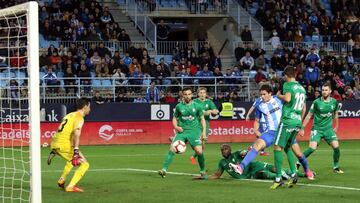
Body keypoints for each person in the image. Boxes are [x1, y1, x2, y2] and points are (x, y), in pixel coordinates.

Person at [270, 66, 314, 189]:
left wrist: (279, 95)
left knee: (277, 146)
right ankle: (294, 174)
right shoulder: (301, 88)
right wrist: (300, 122)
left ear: (287, 75)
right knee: (288, 146)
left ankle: (278, 178)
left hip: (287, 120)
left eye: (284, 76)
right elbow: (304, 108)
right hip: (296, 121)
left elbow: (288, 98)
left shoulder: (287, 85)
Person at [230, 84, 284, 175]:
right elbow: (257, 120)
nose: (262, 96)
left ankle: (305, 170)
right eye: (261, 94)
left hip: (283, 130)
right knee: (257, 145)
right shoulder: (260, 105)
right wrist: (255, 130)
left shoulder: (278, 99)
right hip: (271, 132)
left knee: (296, 152)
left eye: (264, 94)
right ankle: (241, 167)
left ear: (270, 93)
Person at [158, 87, 207, 177]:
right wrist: (176, 127)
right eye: (185, 94)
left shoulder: (197, 106)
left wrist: (203, 132)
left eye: (189, 94)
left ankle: (203, 170)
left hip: (194, 132)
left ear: (192, 95)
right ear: (182, 96)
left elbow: (202, 119)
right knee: (172, 148)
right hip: (182, 132)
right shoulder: (179, 106)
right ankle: (164, 169)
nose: (187, 96)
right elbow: (174, 118)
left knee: (199, 152)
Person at [47, 98, 91, 192]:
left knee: (77, 159)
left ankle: (62, 180)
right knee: (85, 164)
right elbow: (76, 135)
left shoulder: (69, 114)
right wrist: (76, 151)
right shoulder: (79, 118)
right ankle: (71, 186)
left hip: (57, 142)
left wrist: (76, 151)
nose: (90, 109)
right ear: (85, 107)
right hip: (63, 144)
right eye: (89, 107)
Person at [193, 144, 307, 180]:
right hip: (249, 174)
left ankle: (301, 174)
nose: (224, 151)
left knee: (273, 168)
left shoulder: (236, 153)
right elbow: (217, 175)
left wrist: (246, 153)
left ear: (230, 150)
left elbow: (245, 153)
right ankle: (285, 177)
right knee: (265, 174)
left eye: (226, 149)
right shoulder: (222, 162)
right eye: (222, 150)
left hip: (253, 165)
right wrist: (203, 177)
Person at [301, 83, 343, 173]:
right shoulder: (316, 102)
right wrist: (302, 127)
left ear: (330, 91)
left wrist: (336, 126)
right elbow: (309, 115)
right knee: (312, 148)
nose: (324, 92)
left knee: (336, 148)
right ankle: (299, 161)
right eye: (323, 90)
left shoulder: (334, 102)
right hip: (317, 129)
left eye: (326, 90)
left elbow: (335, 114)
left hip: (328, 129)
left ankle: (336, 166)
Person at [190, 87, 218, 164]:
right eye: (200, 93)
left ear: (206, 94)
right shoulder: (194, 102)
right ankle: (200, 164)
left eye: (203, 93)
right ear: (198, 94)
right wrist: (204, 113)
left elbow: (215, 111)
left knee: (202, 146)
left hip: (205, 125)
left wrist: (212, 111)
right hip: (196, 124)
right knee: (198, 142)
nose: (202, 94)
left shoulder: (209, 102)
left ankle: (193, 157)